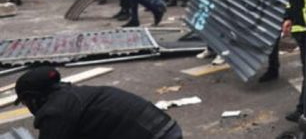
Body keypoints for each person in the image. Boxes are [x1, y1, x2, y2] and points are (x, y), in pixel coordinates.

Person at [15, 66, 182, 139]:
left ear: (34, 98)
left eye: (25, 102)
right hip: (166, 129)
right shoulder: (74, 95)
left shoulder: (56, 111)